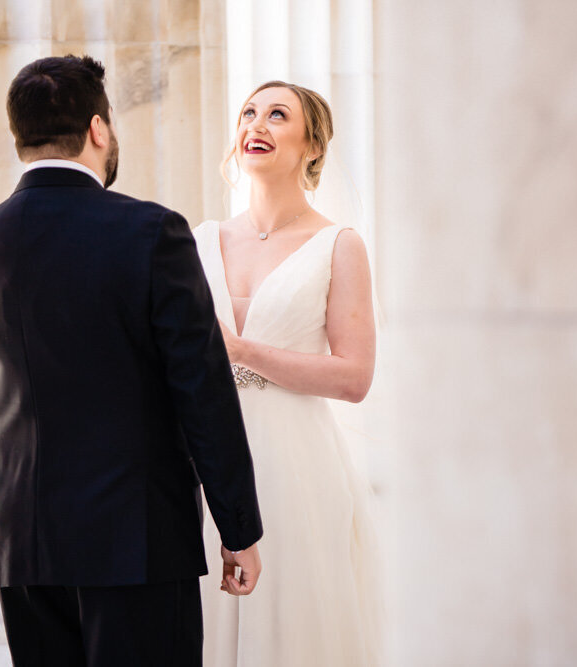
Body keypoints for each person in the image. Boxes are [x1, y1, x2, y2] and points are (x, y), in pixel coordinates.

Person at [0, 54, 264, 666]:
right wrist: (239, 527)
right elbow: (202, 392)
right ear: (97, 129)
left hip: (23, 542)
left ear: (20, 137)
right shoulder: (152, 233)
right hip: (135, 539)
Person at [193, 81, 382, 666]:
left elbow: (354, 377)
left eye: (278, 115)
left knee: (293, 621)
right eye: (249, 112)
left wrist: (241, 352)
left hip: (296, 462)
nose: (257, 124)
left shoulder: (338, 245)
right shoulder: (200, 241)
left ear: (311, 147)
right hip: (204, 458)